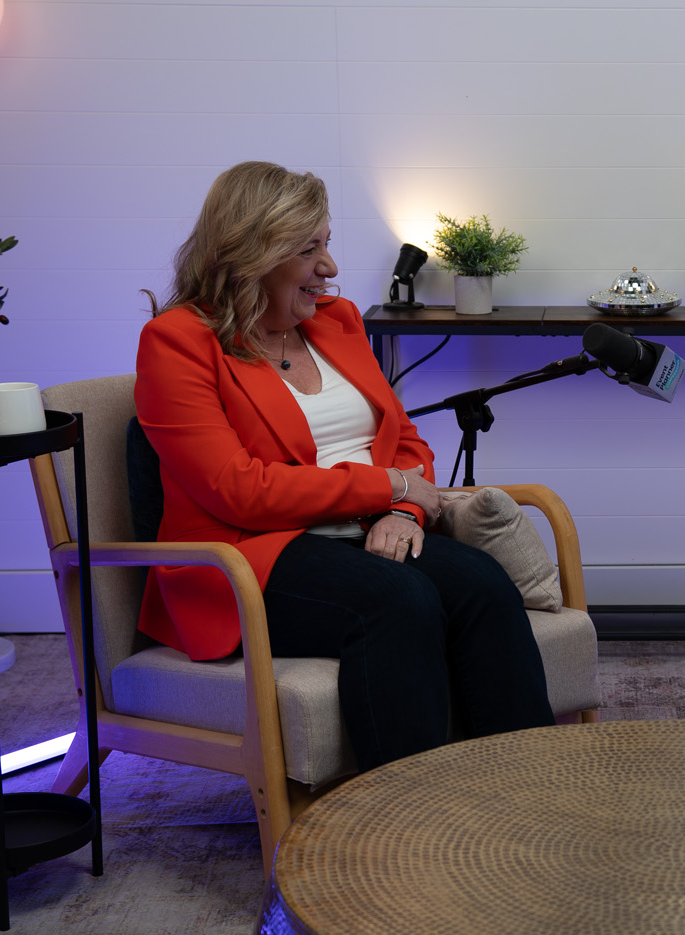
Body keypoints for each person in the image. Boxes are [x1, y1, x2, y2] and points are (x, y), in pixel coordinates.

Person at [134, 161, 554, 771]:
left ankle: (526, 788)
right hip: (251, 553)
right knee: (396, 600)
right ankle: (403, 822)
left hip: (363, 529)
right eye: (310, 250)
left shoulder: (337, 321)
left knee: (483, 585)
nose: (329, 267)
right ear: (253, 253)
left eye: (326, 244)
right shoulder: (177, 341)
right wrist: (383, 488)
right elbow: (236, 490)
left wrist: (407, 510)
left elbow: (406, 440)